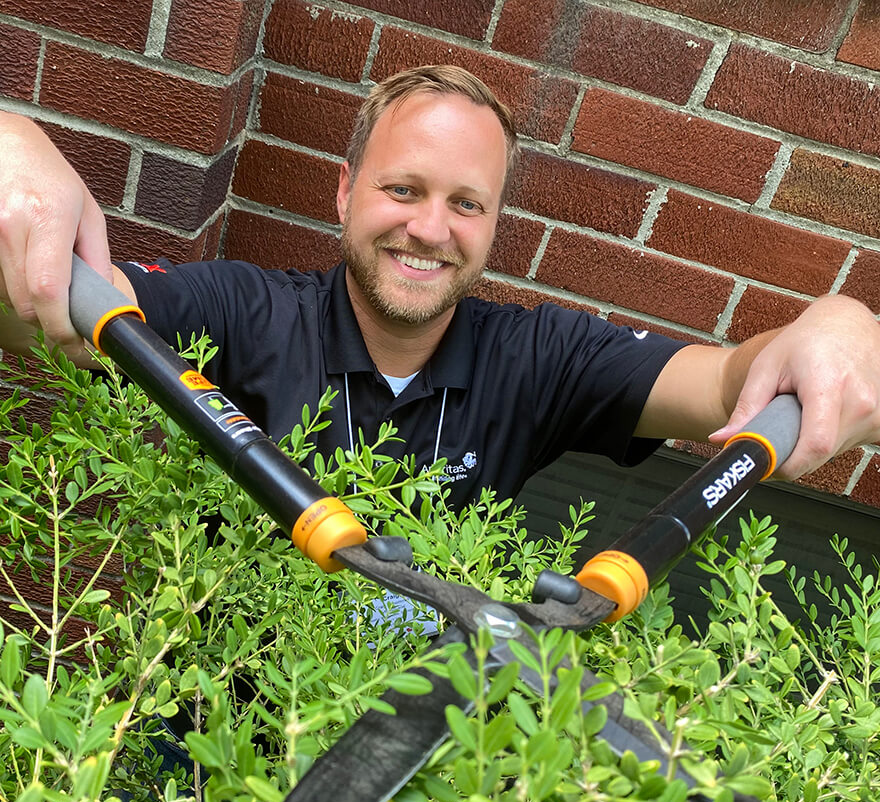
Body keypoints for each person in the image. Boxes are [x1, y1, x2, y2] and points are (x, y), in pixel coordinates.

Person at [0, 64, 878, 511]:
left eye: (466, 203)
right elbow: (43, 315)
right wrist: (12, 141)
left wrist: (835, 325)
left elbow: (726, 385)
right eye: (403, 189)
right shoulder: (241, 310)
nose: (430, 228)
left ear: (493, 224)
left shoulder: (540, 358)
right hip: (201, 744)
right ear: (346, 192)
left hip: (422, 757)